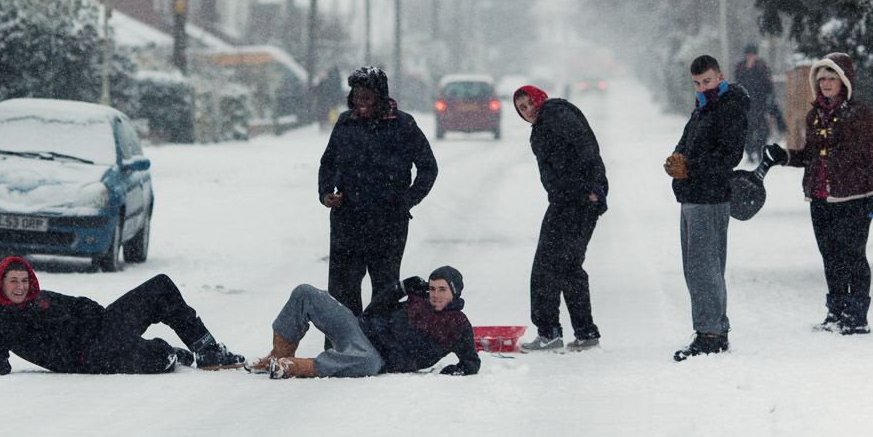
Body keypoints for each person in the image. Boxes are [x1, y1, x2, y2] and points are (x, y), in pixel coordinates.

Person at [763, 53, 873, 334]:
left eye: (832, 78)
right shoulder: (813, 115)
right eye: (822, 79)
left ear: (844, 81)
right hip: (819, 197)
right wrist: (783, 156)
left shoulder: (860, 114)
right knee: (830, 256)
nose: (827, 83)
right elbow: (810, 156)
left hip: (853, 197)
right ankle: (837, 311)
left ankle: (857, 316)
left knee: (853, 255)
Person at [0, 256, 244, 375]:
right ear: (0, 283)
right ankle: (169, 352)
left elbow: (78, 304)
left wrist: (93, 313)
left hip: (103, 328)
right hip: (88, 358)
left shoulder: (39, 297)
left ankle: (207, 349)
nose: (20, 287)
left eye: (24, 280)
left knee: (160, 286)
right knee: (162, 358)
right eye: (13, 281)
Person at [318, 66, 439, 316]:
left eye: (367, 98)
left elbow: (428, 168)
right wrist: (326, 193)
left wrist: (405, 202)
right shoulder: (345, 122)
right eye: (356, 97)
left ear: (380, 97)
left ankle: (379, 348)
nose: (361, 104)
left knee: (384, 291)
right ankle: (342, 349)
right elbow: (328, 163)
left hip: (388, 223)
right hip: (347, 219)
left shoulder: (403, 125)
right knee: (342, 290)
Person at [246, 266, 482, 378]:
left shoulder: (457, 323)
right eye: (432, 288)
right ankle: (277, 356)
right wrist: (398, 289)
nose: (435, 294)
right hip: (358, 331)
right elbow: (370, 313)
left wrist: (456, 371)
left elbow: (471, 362)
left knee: (367, 362)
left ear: (455, 292)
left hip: (375, 358)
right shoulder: (417, 299)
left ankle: (294, 366)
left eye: (442, 290)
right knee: (305, 292)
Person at [512, 85, 608, 352]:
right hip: (568, 200)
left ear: (539, 98)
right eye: (522, 108)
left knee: (548, 266)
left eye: (529, 103)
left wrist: (593, 188)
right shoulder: (545, 123)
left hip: (576, 201)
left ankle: (551, 332)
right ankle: (583, 333)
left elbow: (586, 147)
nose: (528, 110)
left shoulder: (555, 114)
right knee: (567, 267)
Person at [664, 54, 748, 360]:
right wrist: (676, 160)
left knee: (704, 267)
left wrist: (691, 168)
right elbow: (685, 142)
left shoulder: (729, 107)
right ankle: (714, 327)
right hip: (692, 195)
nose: (702, 86)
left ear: (720, 76)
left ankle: (710, 334)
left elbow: (728, 156)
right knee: (696, 266)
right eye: (697, 83)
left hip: (710, 197)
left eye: (707, 81)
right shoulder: (702, 108)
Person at [733, 43, 784, 165]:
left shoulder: (762, 66)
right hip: (747, 105)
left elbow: (768, 84)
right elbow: (738, 84)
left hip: (760, 104)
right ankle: (750, 152)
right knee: (747, 131)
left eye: (752, 54)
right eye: (748, 55)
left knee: (762, 130)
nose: (750, 57)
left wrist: (769, 100)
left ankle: (759, 150)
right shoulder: (740, 67)